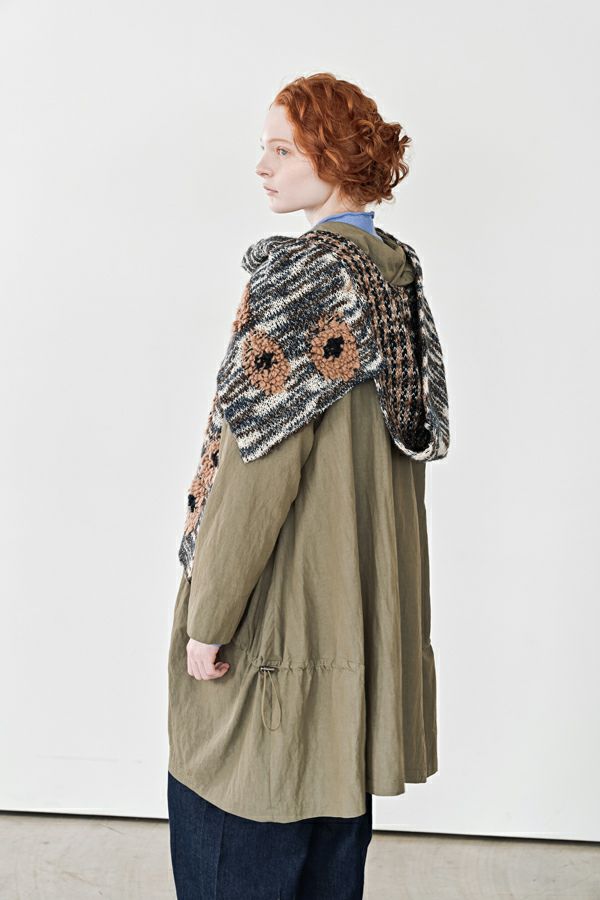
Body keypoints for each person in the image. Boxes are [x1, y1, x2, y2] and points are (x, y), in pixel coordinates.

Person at [166, 71, 450, 899]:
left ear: (335, 157)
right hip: (355, 628)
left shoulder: (303, 279)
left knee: (236, 830)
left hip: (279, 627)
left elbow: (258, 466)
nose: (263, 166)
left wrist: (210, 617)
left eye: (283, 149)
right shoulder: (394, 277)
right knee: (329, 856)